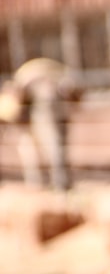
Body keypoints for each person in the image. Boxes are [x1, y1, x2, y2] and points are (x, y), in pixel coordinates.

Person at [7, 58, 80, 191]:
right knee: (44, 149)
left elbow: (75, 96)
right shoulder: (30, 74)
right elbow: (16, 104)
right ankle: (42, 183)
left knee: (53, 148)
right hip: (40, 117)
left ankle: (55, 183)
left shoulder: (47, 73)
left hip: (49, 116)